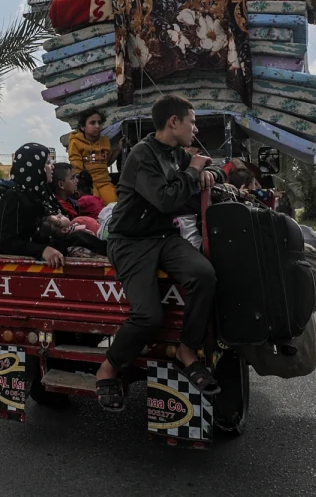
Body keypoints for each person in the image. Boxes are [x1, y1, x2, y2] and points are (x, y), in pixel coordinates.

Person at [94, 95, 224, 411]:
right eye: (191, 121)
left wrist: (209, 172)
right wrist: (194, 170)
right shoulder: (142, 155)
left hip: (163, 237)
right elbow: (166, 200)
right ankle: (108, 368)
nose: (195, 128)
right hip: (130, 241)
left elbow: (212, 166)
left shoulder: (175, 153)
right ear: (173, 122)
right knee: (148, 315)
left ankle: (187, 350)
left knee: (203, 274)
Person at [0, 143, 68, 269]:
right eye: (47, 163)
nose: (52, 167)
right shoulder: (14, 197)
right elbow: (8, 242)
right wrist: (42, 250)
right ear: (35, 167)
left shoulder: (41, 194)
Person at [68, 109, 118, 204]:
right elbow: (77, 169)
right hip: (88, 183)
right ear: (83, 127)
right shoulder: (76, 142)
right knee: (95, 205)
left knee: (113, 205)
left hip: (105, 182)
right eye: (92, 123)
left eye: (99, 123)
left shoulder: (105, 141)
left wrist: (118, 149)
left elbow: (106, 163)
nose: (97, 126)